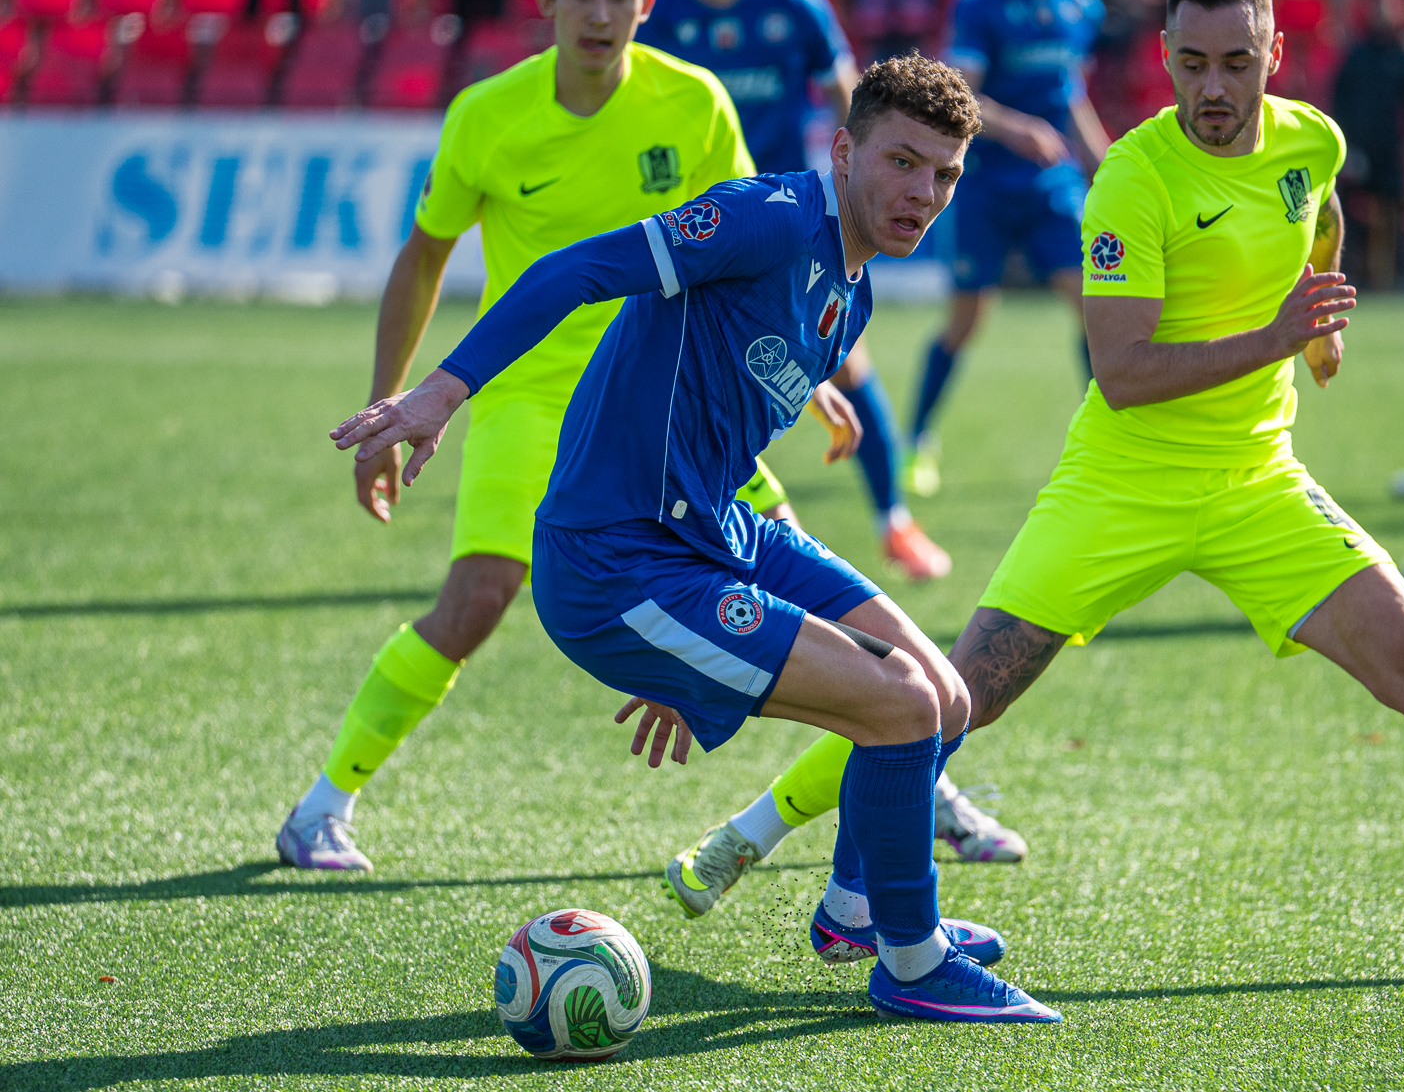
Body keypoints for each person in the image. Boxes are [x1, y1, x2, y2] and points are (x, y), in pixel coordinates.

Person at [664, 0, 1404, 985]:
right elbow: (1125, 373)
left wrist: (1320, 316)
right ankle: (752, 830)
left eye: (1237, 62)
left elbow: (1318, 212)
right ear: (1164, 59)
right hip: (1121, 487)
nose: (1212, 87)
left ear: (1274, 58)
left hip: (1257, 483)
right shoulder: (1133, 180)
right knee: (954, 694)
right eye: (1192, 63)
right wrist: (1279, 335)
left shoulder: (1312, 140)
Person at [330, 54, 1064, 1024]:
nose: (923, 193)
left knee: (947, 696)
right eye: (902, 162)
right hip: (615, 561)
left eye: (945, 174)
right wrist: (440, 392)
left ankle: (857, 910)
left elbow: (719, 412)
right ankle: (913, 961)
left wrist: (699, 660)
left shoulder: (852, 295)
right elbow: (575, 270)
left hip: (710, 536)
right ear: (844, 152)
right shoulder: (768, 217)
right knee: (896, 705)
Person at [275, 0, 802, 872]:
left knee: (800, 576)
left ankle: (917, 772)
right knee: (477, 600)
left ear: (648, 2)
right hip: (530, 397)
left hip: (677, 404)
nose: (599, 15)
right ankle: (322, 806)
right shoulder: (487, 114)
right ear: (546, 0)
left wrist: (814, 372)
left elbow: (755, 251)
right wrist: (389, 404)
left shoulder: (697, 103)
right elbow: (423, 257)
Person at [636, 0, 953, 583]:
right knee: (670, 370)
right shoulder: (656, 16)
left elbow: (853, 103)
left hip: (787, 226)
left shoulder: (794, 4)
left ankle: (894, 521)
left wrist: (857, 189)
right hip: (695, 231)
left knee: (848, 364)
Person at [903, 0, 1110, 499]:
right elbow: (961, 94)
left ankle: (1108, 442)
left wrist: (1103, 158)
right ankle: (917, 440)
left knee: (1092, 305)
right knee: (966, 321)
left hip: (1051, 183)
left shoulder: (1082, 5)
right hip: (984, 182)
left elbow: (1070, 92)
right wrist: (1019, 129)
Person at [1332, 0, 1404, 291]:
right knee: (1351, 210)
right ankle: (1352, 271)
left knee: (1395, 210)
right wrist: (1346, 146)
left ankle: (1395, 275)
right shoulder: (1356, 55)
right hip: (1360, 151)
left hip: (1391, 151)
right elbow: (1340, 102)